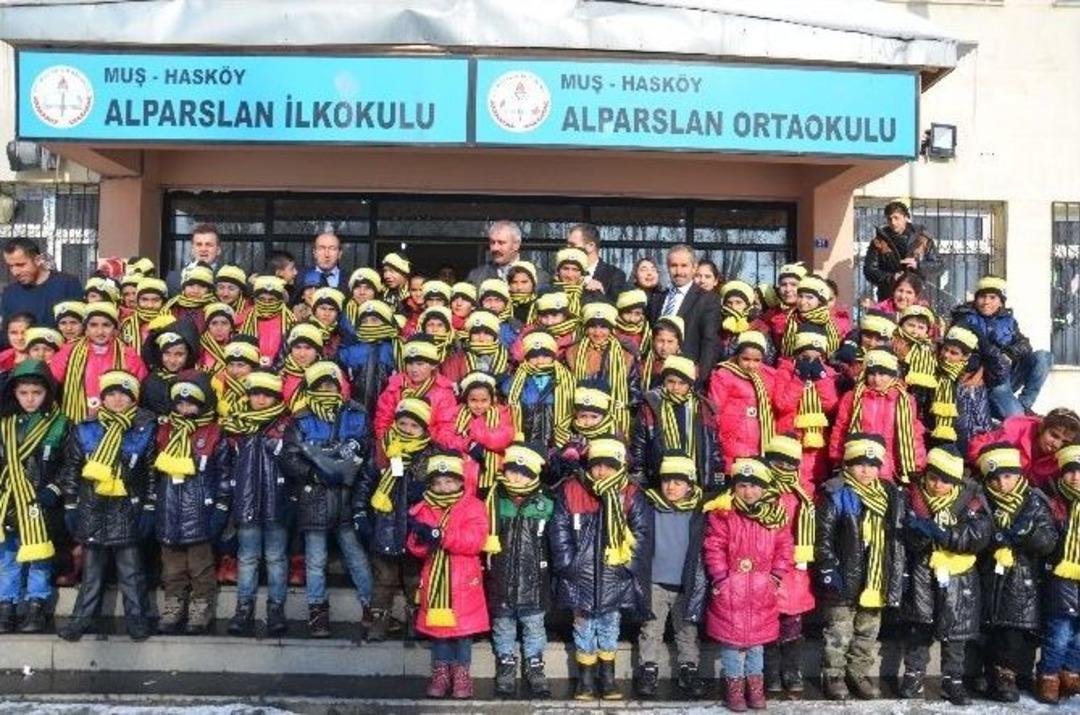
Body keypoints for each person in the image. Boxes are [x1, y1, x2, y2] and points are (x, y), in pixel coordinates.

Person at [58, 370, 158, 642]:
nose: (117, 400)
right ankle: (81, 619)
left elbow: (150, 472)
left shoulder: (144, 430)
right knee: (92, 572)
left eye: (123, 394)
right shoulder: (85, 430)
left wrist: (149, 505)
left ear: (133, 399)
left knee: (131, 570)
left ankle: (137, 619)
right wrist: (69, 503)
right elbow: (72, 470)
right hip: (93, 506)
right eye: (111, 394)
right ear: (102, 398)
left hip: (127, 507)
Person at [549, 437, 652, 701]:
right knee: (583, 627)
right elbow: (559, 529)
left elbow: (642, 534)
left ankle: (607, 677)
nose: (601, 471)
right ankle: (585, 679)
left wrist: (627, 566)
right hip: (579, 576)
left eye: (609, 466)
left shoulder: (629, 493)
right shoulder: (572, 490)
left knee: (609, 626)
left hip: (613, 576)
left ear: (620, 467)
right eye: (597, 465)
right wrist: (568, 564)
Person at [281, 362, 371, 638]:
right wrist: (313, 474)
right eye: (319, 386)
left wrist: (350, 466)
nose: (326, 390)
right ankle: (316, 609)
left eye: (331, 385)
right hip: (315, 498)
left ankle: (372, 604)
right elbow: (289, 456)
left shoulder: (355, 414)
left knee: (356, 556)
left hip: (346, 496)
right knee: (315, 559)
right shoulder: (301, 419)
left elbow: (365, 449)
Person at [815, 433, 906, 701]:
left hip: (875, 578)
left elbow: (895, 537)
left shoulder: (889, 494)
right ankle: (833, 675)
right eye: (859, 464)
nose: (866, 470)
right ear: (847, 465)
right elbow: (823, 537)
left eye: (872, 464)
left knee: (868, 632)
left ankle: (859, 672)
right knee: (838, 632)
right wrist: (828, 567)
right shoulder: (836, 494)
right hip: (844, 575)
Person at [899, 445, 992, 705]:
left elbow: (979, 534)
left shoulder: (971, 499)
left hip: (959, 576)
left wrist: (943, 534)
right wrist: (919, 531)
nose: (937, 485)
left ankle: (953, 679)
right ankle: (914, 673)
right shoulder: (913, 497)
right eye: (932, 478)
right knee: (920, 626)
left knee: (956, 631)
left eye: (945, 480)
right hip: (922, 573)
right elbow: (905, 535)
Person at [702, 456, 793, 712]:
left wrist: (775, 576)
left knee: (756, 647)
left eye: (754, 486)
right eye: (742, 485)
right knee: (732, 646)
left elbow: (784, 547)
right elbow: (714, 546)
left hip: (762, 590)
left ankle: (755, 689)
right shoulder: (724, 513)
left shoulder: (775, 514)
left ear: (764, 487)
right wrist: (721, 577)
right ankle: (734, 690)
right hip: (732, 589)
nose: (749, 491)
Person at [975, 442, 1058, 702]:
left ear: (1019, 475)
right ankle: (997, 674)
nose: (1002, 483)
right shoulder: (982, 501)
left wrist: (1028, 535)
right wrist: (994, 540)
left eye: (1008, 476)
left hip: (1024, 580)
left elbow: (1049, 540)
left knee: (1016, 632)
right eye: (995, 478)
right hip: (990, 577)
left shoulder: (1034, 502)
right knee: (993, 632)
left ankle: (1010, 673)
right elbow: (975, 534)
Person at [355, 397, 440, 642]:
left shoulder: (429, 453)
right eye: (403, 424)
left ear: (424, 429)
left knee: (414, 578)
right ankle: (379, 620)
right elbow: (365, 481)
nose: (407, 430)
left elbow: (438, 488)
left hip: (414, 526)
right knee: (384, 578)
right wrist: (360, 512)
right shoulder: (382, 449)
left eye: (414, 426)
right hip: (385, 523)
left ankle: (416, 621)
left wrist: (421, 490)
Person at [216, 371, 293, 638]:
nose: (260, 399)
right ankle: (244, 608)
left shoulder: (287, 424)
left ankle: (275, 609)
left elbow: (295, 462)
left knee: (275, 557)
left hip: (277, 499)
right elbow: (224, 465)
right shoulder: (235, 425)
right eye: (255, 393)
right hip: (246, 499)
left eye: (267, 394)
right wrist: (228, 495)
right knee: (247, 557)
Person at [151, 371, 229, 636]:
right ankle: (173, 604)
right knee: (171, 566)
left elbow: (223, 474)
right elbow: (153, 473)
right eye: (180, 403)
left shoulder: (215, 433)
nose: (185, 409)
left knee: (200, 565)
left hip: (199, 509)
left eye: (191, 403)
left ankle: (201, 606)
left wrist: (220, 506)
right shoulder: (163, 432)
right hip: (170, 508)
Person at [406, 452, 489, 699]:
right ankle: (441, 671)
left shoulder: (473, 506)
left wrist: (442, 537)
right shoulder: (423, 507)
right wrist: (420, 540)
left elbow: (475, 541)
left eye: (449, 481)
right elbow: (415, 547)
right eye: (438, 483)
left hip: (463, 580)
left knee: (463, 632)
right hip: (436, 579)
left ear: (461, 482)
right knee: (439, 632)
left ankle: (461, 673)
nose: (444, 487)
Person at [0, 359, 70, 634]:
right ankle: (6, 606)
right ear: (14, 395)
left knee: (40, 558)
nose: (30, 399)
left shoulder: (60, 424)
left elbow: (70, 464)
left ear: (48, 393)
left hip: (41, 501)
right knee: (7, 557)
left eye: (37, 393)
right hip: (7, 500)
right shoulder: (4, 425)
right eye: (24, 393)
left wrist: (54, 489)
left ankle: (36, 607)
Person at [635, 453, 712, 700]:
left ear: (690, 485)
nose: (671, 487)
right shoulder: (650, 505)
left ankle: (689, 669)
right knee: (651, 629)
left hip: (685, 582)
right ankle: (648, 669)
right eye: (667, 480)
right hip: (655, 580)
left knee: (687, 629)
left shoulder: (700, 509)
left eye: (678, 482)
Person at [485, 442, 554, 698]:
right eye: (513, 471)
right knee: (503, 625)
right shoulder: (494, 500)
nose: (517, 477)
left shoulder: (544, 502)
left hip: (534, 579)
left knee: (534, 625)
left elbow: (552, 541)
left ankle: (535, 665)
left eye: (524, 473)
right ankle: (505, 663)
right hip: (501, 578)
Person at [951, 275, 1053, 418]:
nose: (986, 302)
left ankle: (1024, 404)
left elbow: (1025, 345)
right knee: (1017, 418)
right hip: (990, 380)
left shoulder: (1008, 320)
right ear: (976, 299)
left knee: (1044, 357)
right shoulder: (966, 319)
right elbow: (962, 352)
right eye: (982, 297)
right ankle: (1018, 411)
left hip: (1009, 373)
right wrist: (989, 365)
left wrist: (1008, 354)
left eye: (992, 297)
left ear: (1001, 302)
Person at [762, 435, 816, 699]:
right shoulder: (760, 490)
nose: (782, 466)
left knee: (793, 622)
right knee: (768, 621)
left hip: (796, 566)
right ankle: (771, 670)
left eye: (788, 462)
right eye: (776, 460)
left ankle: (792, 669)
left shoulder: (804, 493)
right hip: (768, 564)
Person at [828, 348, 926, 484]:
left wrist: (916, 463)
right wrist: (837, 456)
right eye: (872, 374)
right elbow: (841, 427)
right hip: (859, 463)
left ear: (893, 375)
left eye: (883, 374)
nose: (876, 379)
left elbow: (913, 433)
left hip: (890, 466)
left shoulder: (905, 400)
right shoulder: (852, 397)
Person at [630, 355, 722, 490]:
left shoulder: (703, 408)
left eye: (682, 383)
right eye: (671, 381)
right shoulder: (651, 405)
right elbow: (639, 445)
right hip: (660, 479)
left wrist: (715, 480)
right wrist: (640, 476)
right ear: (664, 380)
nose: (676, 387)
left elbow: (713, 447)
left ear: (690, 384)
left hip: (696, 479)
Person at [49, 301, 147, 424]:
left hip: (117, 422)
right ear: (86, 328)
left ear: (115, 328)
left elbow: (139, 392)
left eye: (106, 325)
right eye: (93, 325)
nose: (100, 331)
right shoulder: (69, 352)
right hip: (77, 422)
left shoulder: (128, 355)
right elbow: (51, 386)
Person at [1037, 445, 1080, 704]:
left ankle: (1070, 673)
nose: (1075, 476)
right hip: (1062, 580)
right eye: (1069, 471)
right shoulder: (1057, 503)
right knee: (1059, 632)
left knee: (1078, 635)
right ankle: (1049, 676)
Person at [648, 245, 720, 383]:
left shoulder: (708, 300)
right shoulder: (657, 298)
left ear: (694, 268)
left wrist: (699, 378)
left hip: (686, 381)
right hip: (655, 377)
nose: (679, 271)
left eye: (684, 266)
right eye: (674, 266)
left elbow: (709, 343)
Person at [565, 302, 639, 435]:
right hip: (582, 418)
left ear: (611, 329)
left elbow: (634, 389)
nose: (598, 333)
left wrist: (625, 404)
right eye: (592, 327)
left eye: (604, 327)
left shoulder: (625, 354)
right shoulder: (572, 352)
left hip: (614, 419)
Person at [372, 335, 457, 444]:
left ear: (433, 365)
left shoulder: (444, 392)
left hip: (429, 446)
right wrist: (389, 445)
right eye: (410, 364)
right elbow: (383, 421)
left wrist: (420, 443)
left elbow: (446, 427)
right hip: (395, 446)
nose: (414, 369)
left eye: (420, 364)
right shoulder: (395, 387)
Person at [440, 372, 514, 496]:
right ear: (466, 399)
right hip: (462, 471)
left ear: (492, 399)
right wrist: (468, 444)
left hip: (492, 472)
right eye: (473, 400)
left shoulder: (501, 413)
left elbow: (504, 437)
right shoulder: (455, 413)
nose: (479, 405)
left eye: (484, 400)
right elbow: (444, 437)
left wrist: (476, 433)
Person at [969, 407, 1080, 490]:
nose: (1057, 444)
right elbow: (976, 445)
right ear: (1042, 427)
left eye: (1064, 442)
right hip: (992, 484)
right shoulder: (1015, 431)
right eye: (1054, 435)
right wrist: (991, 463)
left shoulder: (1063, 457)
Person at [504, 331, 575, 458]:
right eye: (534, 357)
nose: (540, 361)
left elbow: (571, 407)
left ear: (553, 356)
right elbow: (508, 394)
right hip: (526, 434)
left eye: (545, 356)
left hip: (553, 438)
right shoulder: (520, 377)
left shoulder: (565, 379)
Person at [927, 325, 993, 454]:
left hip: (971, 436)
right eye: (945, 349)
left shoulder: (974, 376)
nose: (946, 355)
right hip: (940, 433)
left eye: (954, 353)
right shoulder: (932, 368)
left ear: (965, 356)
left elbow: (980, 417)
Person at [1, 237, 82, 332]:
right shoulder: (10, 294)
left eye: (21, 265)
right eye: (11, 266)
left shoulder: (68, 284)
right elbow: (6, 334)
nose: (15, 272)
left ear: (38, 260)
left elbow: (81, 326)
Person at [337, 299, 398, 425]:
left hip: (388, 415)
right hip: (354, 415)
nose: (369, 324)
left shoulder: (396, 350)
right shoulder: (348, 353)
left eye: (375, 320)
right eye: (364, 321)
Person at [862, 201, 937, 302]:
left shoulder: (922, 239)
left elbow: (938, 264)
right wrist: (891, 278)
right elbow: (869, 270)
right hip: (888, 296)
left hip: (916, 296)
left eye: (896, 218)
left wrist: (918, 265)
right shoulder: (879, 242)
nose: (893, 222)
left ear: (906, 217)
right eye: (889, 219)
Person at [140, 318, 200, 417]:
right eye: (167, 353)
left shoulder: (197, 380)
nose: (172, 360)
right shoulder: (150, 382)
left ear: (189, 355)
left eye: (179, 354)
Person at [466, 221, 549, 287]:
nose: (495, 248)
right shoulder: (476, 277)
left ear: (516, 244)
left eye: (501, 243)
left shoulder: (539, 277)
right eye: (492, 242)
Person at [239, 275, 296, 366]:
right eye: (262, 299)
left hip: (282, 369)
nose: (266, 303)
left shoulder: (291, 321)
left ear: (279, 300)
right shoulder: (244, 320)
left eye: (271, 300)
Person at [566, 223, 626, 299]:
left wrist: (601, 295)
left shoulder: (614, 275)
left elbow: (619, 307)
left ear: (591, 246)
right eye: (567, 245)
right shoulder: (562, 274)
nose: (568, 249)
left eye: (572, 245)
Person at [166, 224, 223, 295]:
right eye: (199, 244)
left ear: (218, 250)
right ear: (192, 249)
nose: (203, 249)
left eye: (208, 245)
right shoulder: (174, 279)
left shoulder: (228, 279)